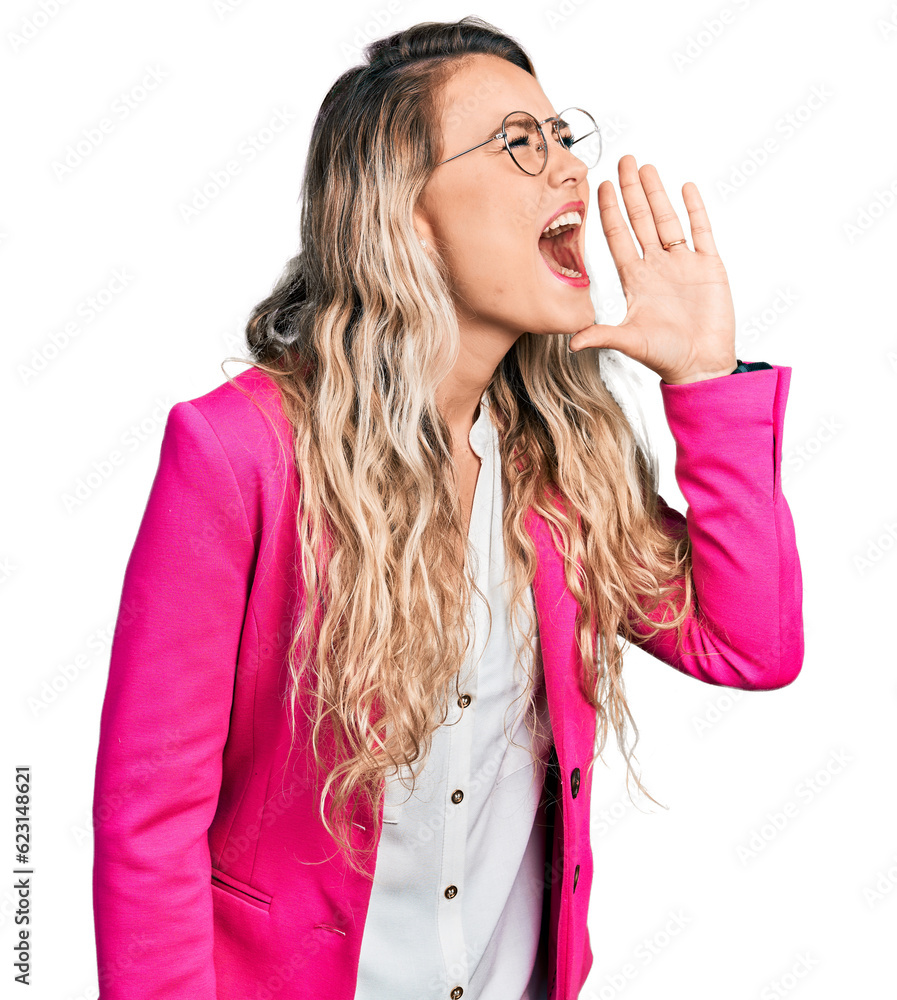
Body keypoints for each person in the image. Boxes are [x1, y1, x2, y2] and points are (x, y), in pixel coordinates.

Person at [90, 15, 803, 1000]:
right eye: (519, 143)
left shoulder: (560, 467)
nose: (567, 172)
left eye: (562, 138)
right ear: (404, 210)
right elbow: (148, 817)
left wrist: (707, 381)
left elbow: (750, 643)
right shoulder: (240, 453)